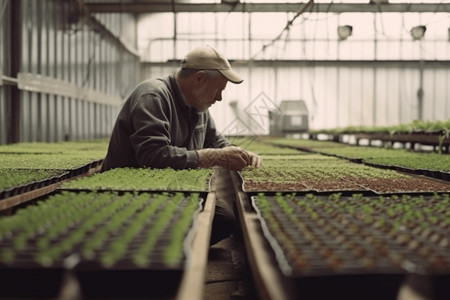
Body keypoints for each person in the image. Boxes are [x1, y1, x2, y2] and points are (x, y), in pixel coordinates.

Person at [101, 45, 263, 244]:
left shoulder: (198, 105)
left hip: (171, 186)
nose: (220, 97)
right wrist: (215, 157)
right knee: (206, 222)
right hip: (134, 190)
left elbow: (215, 140)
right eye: (219, 90)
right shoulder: (153, 95)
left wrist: (239, 153)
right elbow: (153, 156)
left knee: (223, 220)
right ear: (200, 79)